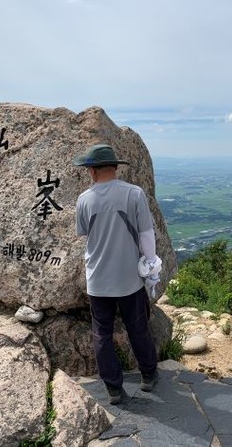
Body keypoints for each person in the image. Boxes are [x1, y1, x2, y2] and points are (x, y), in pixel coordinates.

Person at [74, 143, 160, 405]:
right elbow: (146, 234)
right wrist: (150, 264)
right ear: (115, 167)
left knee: (102, 334)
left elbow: (84, 234)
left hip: (97, 279)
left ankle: (114, 389)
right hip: (129, 279)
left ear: (91, 170)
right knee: (138, 328)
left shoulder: (84, 199)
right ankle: (148, 375)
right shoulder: (134, 194)